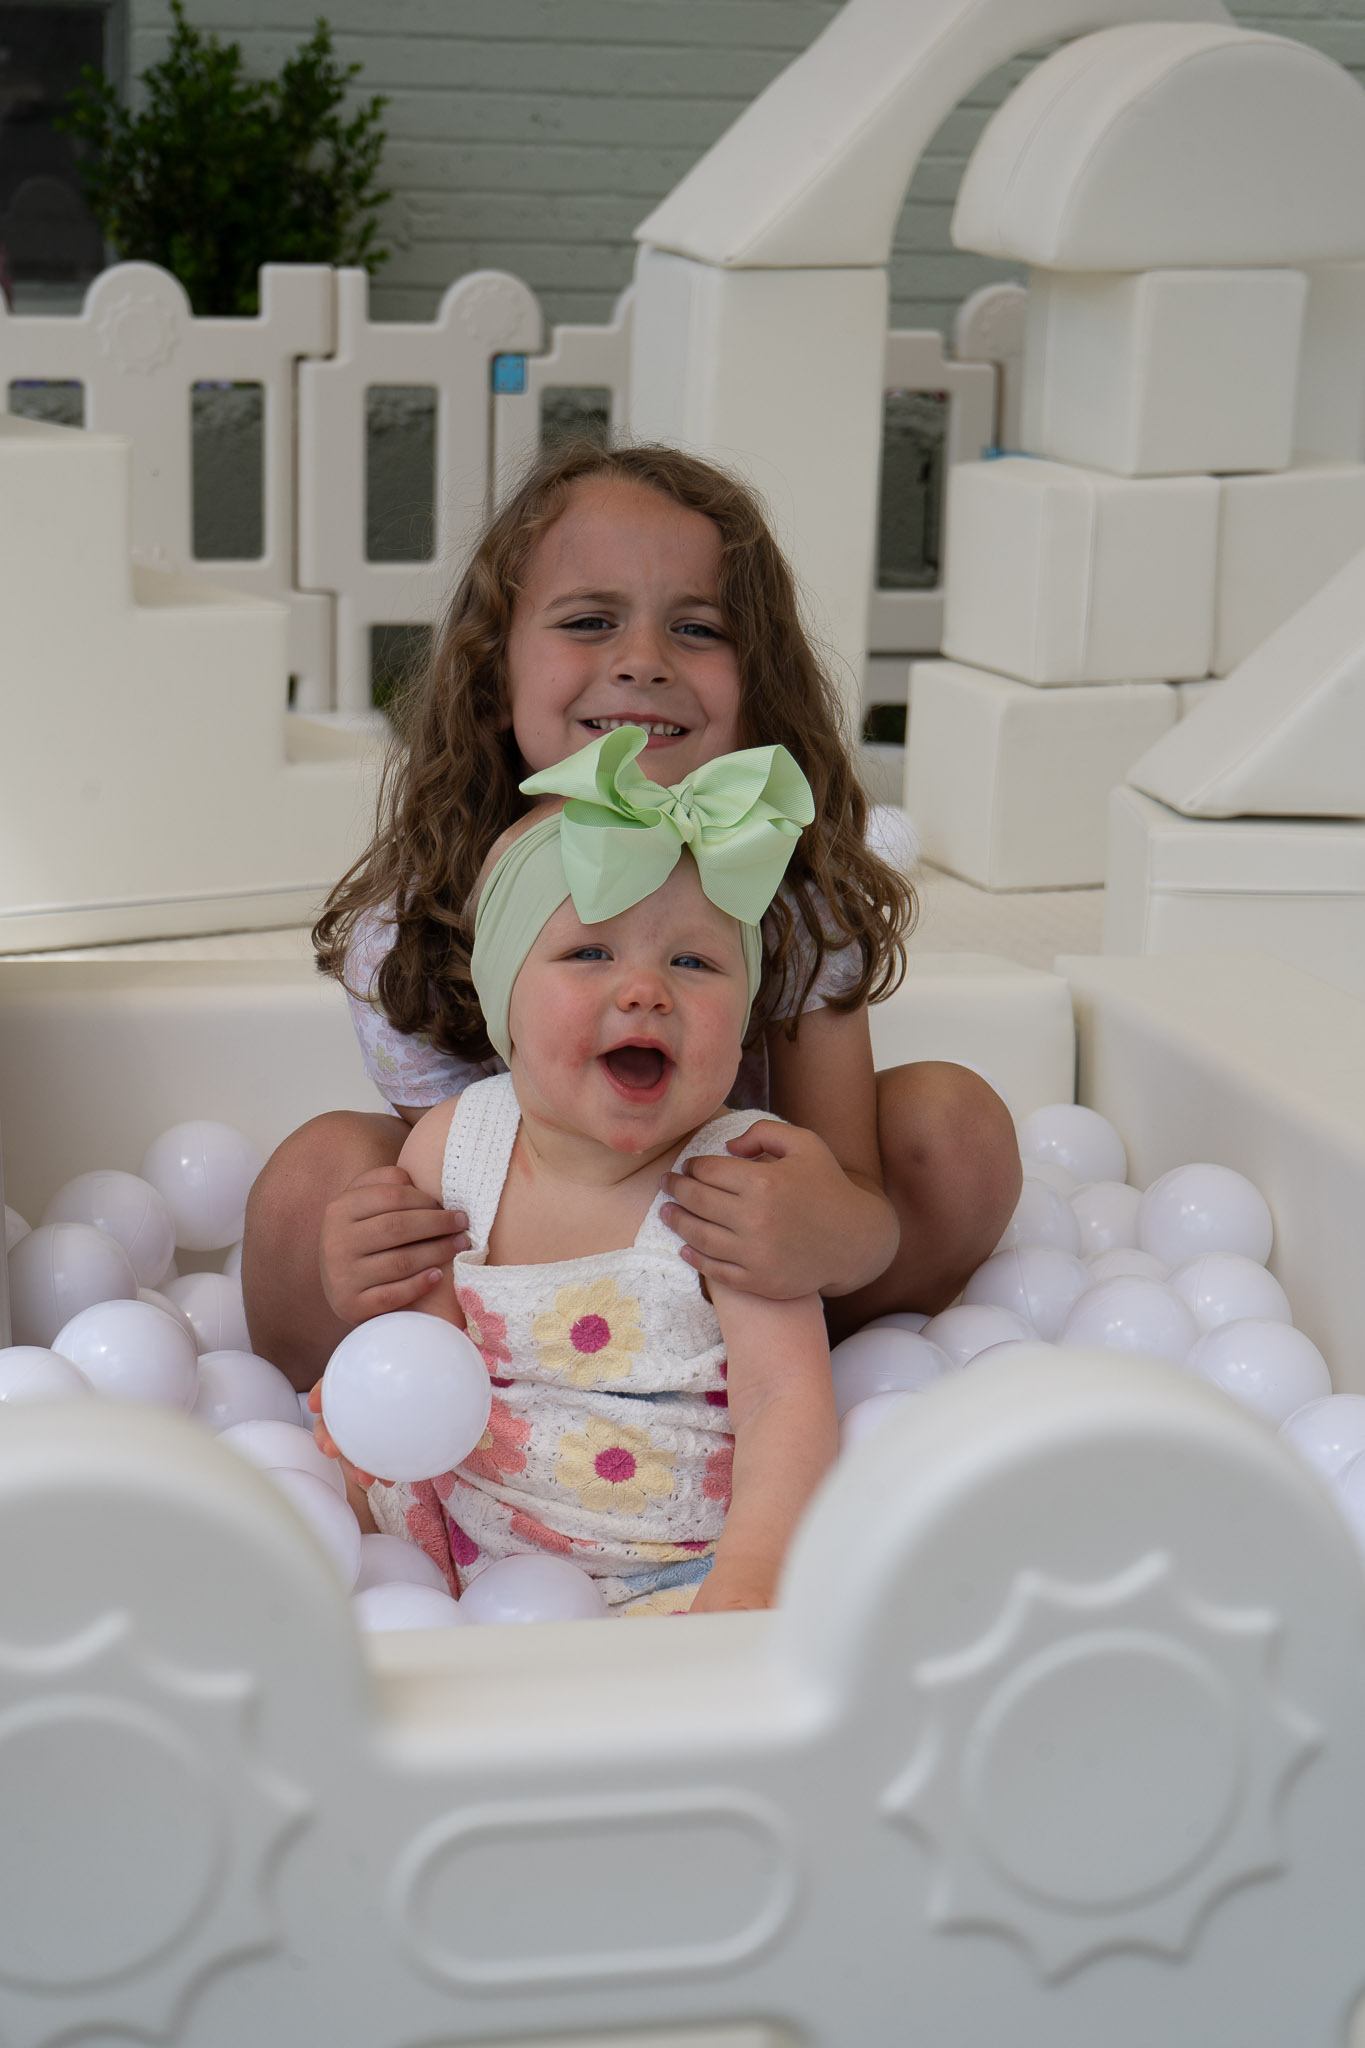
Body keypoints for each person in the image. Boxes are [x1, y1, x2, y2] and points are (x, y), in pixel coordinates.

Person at [243, 441, 1021, 1389]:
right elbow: (468, 1190)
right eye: (588, 620)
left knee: (954, 1125)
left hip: (741, 1270)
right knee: (317, 1179)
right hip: (512, 1298)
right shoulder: (414, 923)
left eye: (697, 629)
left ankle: (815, 1398)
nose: (643, 661)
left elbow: (849, 1180)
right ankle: (320, 1424)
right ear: (494, 678)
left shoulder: (796, 900)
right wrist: (365, 1258)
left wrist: (837, 1235)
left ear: (759, 686)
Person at [317, 728, 836, 1615]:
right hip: (455, 1542)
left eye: (694, 961)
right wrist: (362, 1291)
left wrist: (749, 1578)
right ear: (503, 999)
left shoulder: (738, 1182)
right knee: (316, 1492)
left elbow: (785, 1398)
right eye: (589, 953)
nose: (643, 990)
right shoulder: (454, 1148)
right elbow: (414, 1360)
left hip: (668, 1574)